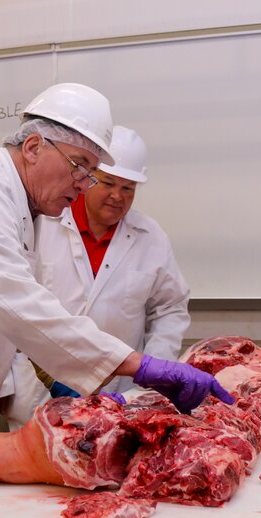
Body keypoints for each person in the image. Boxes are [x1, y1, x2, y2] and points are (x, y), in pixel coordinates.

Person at [0, 83, 231, 421]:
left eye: (90, 174)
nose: (83, 184)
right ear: (33, 147)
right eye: (80, 167)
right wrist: (140, 366)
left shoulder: (23, 203)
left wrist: (57, 378)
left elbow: (16, 311)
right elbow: (19, 306)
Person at [29, 125, 189, 401]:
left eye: (128, 188)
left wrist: (154, 368)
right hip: (38, 389)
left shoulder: (150, 237)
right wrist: (7, 386)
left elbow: (169, 307)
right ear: (87, 178)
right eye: (108, 183)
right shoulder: (43, 224)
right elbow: (11, 308)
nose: (118, 196)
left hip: (121, 395)